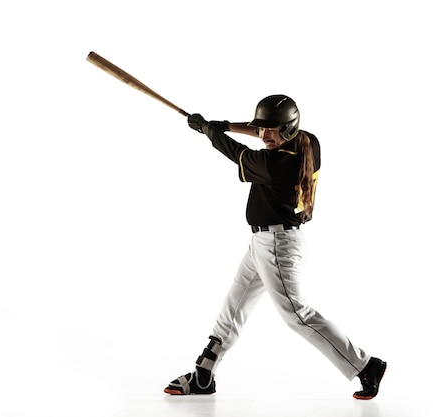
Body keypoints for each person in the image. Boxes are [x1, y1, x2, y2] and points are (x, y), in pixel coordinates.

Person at [164, 95, 386, 400]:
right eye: (262, 129)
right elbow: (260, 132)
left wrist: (209, 131)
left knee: (297, 315)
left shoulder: (277, 164)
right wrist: (225, 125)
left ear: (289, 130)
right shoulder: (308, 142)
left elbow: (236, 152)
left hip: (278, 246)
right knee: (234, 307)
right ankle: (204, 373)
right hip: (263, 243)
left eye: (273, 130)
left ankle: (365, 365)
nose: (265, 135)